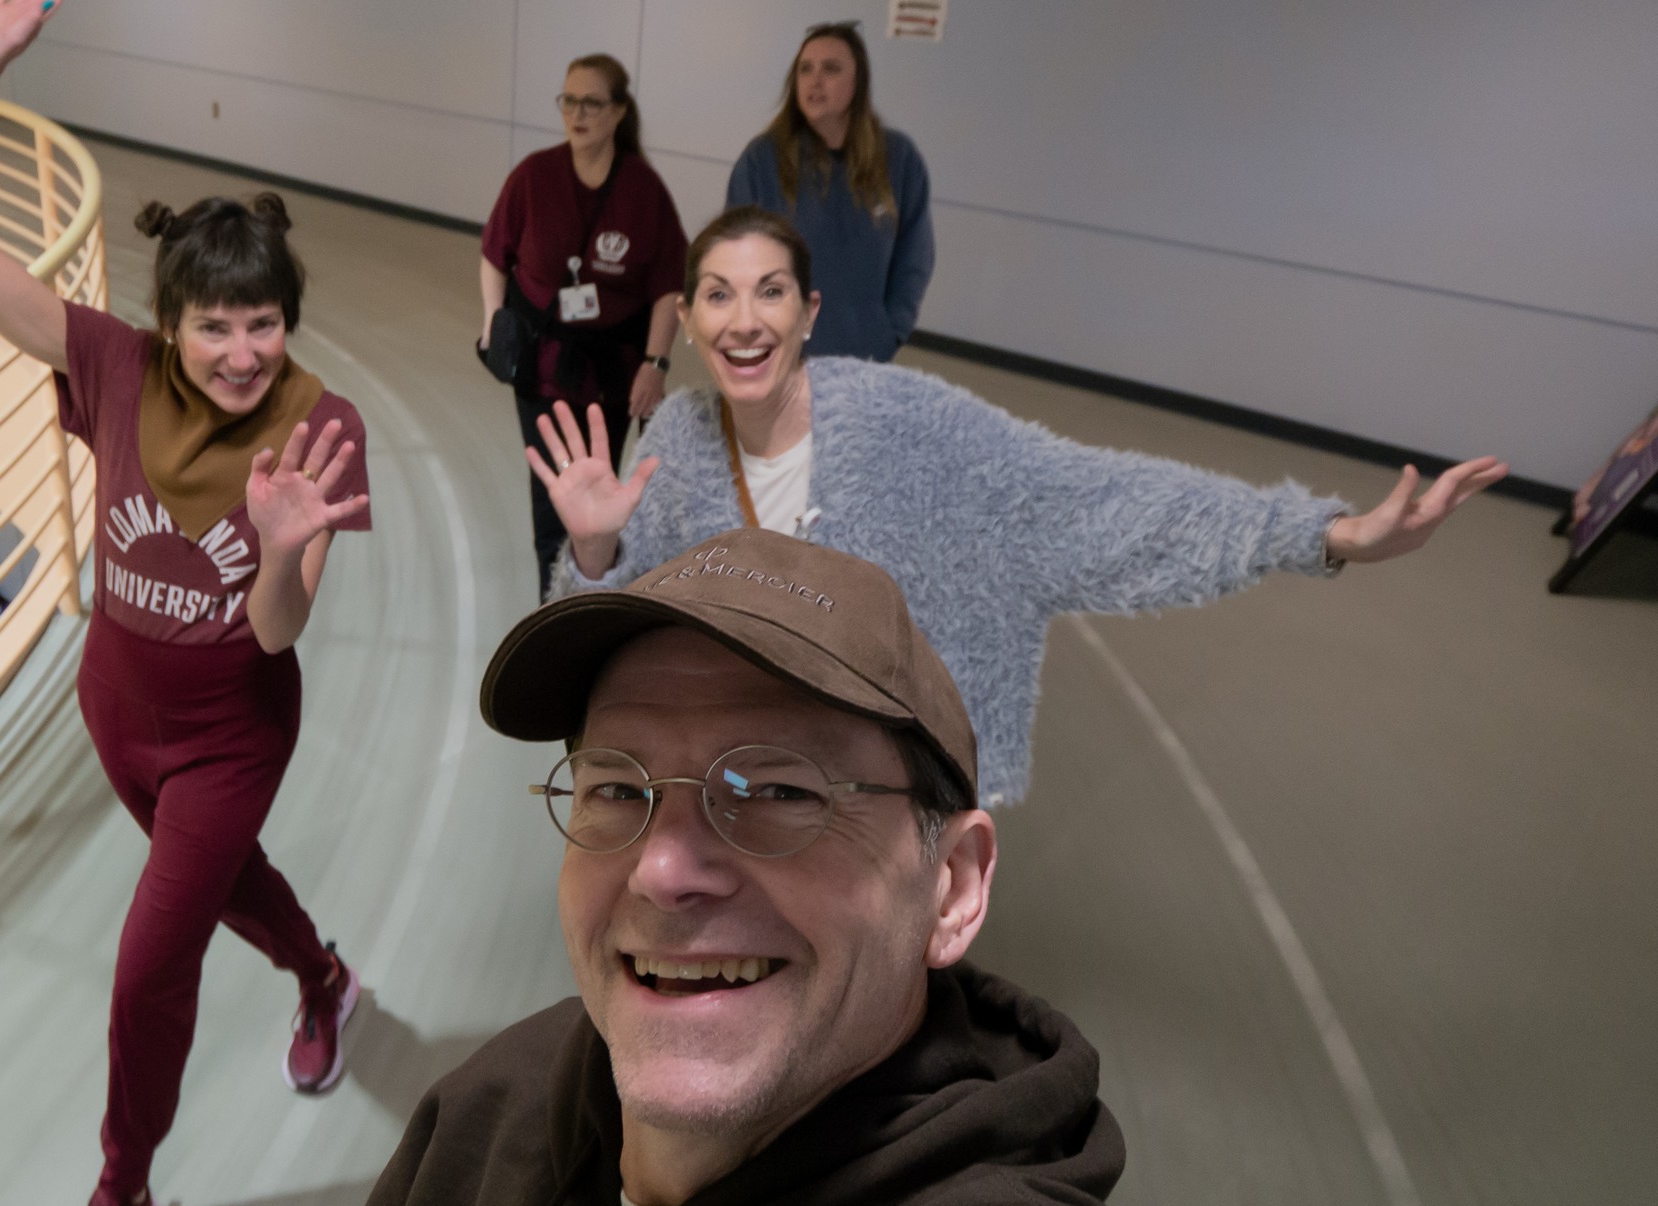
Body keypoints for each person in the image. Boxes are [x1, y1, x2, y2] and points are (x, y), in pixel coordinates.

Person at [340, 528, 1184, 1206]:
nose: (663, 871)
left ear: (953, 887)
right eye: (619, 788)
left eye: (780, 790)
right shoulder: (490, 1108)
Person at [0, 0, 371, 1206]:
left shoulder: (316, 425)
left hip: (230, 739)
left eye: (265, 322)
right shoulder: (109, 365)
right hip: (114, 715)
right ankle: (326, 977)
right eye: (215, 325)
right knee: (227, 892)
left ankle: (121, 1202)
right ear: (166, 325)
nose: (243, 351)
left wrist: (285, 554)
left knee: (144, 969)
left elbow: (278, 637)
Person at [530, 206, 1509, 809]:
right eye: (717, 294)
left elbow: (1082, 497)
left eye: (769, 291)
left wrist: (1323, 534)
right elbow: (610, 647)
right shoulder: (671, 449)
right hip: (742, 781)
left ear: (809, 314)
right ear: (690, 323)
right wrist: (595, 545)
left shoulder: (908, 421)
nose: (744, 317)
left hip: (883, 780)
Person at [481, 53, 687, 596]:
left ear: (619, 111)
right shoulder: (533, 175)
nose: (577, 112)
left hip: (611, 379)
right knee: (550, 498)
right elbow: (493, 254)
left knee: (597, 496)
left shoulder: (644, 191)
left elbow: (668, 284)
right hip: (541, 372)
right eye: (568, 100)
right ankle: (551, 607)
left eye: (591, 102)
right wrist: (492, 326)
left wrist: (656, 363)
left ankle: (589, 593)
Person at [726, 21, 933, 362]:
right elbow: (735, 258)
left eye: (831, 69)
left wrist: (891, 330)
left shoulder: (898, 159)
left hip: (865, 357)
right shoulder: (762, 160)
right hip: (777, 356)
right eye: (805, 69)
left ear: (858, 82)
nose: (815, 80)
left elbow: (915, 258)